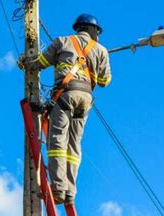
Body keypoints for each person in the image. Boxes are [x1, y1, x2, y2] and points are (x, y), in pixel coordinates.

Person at [22, 14, 112, 205]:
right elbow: (104, 82)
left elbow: (40, 63)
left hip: (65, 95)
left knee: (57, 141)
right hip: (85, 99)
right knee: (74, 145)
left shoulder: (63, 41)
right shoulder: (102, 50)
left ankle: (59, 188)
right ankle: (70, 192)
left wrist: (25, 63)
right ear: (94, 30)